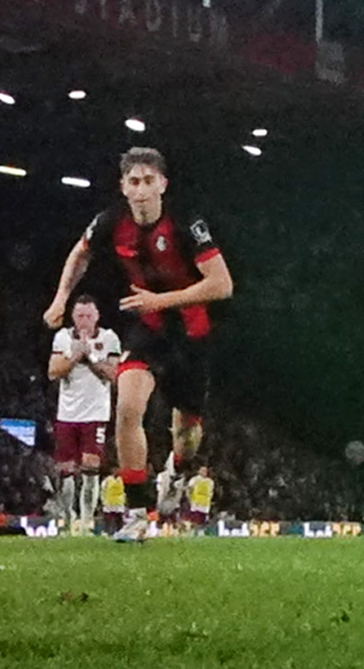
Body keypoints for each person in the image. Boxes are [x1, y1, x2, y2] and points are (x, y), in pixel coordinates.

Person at [42, 147, 233, 542]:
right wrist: (61, 298)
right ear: (123, 188)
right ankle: (137, 512)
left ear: (163, 184)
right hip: (148, 331)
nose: (142, 189)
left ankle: (176, 473)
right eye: (134, 181)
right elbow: (80, 254)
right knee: (128, 408)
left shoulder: (186, 224)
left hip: (192, 336)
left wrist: (159, 300)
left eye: (149, 181)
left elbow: (222, 284)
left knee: (188, 437)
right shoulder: (112, 222)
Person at [46, 294, 123, 528]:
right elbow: (53, 371)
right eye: (80, 315)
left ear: (97, 316)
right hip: (67, 414)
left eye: (89, 315)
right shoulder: (62, 338)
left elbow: (114, 375)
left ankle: (87, 520)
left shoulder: (109, 338)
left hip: (96, 413)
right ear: (73, 316)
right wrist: (75, 354)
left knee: (91, 465)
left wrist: (90, 357)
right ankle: (68, 519)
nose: (84, 320)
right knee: (66, 469)